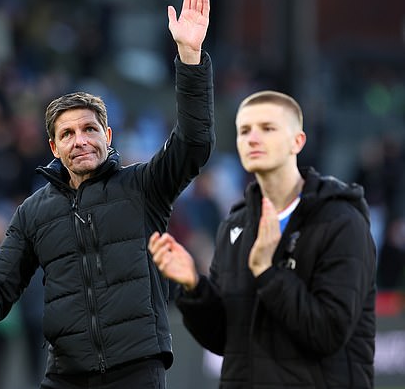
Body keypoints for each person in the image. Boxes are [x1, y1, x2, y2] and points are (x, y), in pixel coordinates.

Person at [0, 0, 214, 389]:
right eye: (69, 133)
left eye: (90, 129)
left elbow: (194, 143)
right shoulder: (34, 211)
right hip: (65, 375)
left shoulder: (143, 187)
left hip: (136, 369)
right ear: (54, 147)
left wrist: (190, 56)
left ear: (108, 136)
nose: (81, 140)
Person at [149, 90, 376, 387]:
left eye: (267, 128)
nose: (252, 138)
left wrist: (268, 272)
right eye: (244, 131)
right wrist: (194, 286)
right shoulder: (235, 225)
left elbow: (328, 333)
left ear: (298, 141)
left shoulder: (341, 222)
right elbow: (227, 340)